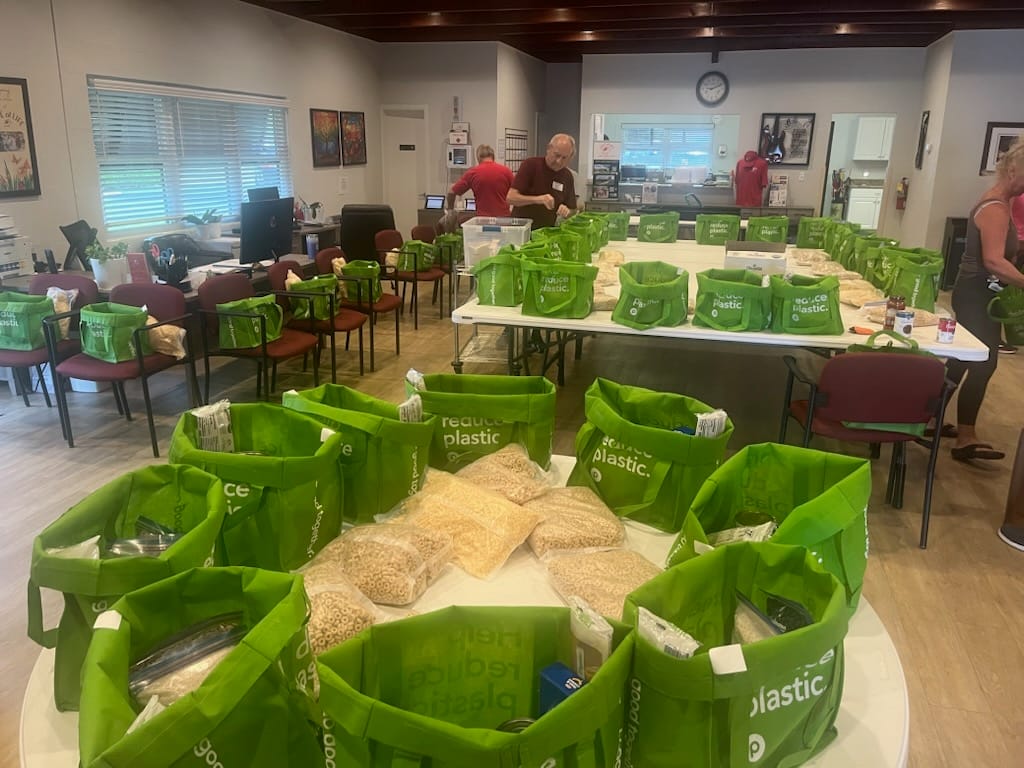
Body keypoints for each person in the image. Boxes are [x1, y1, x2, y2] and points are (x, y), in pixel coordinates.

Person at [944, 137, 1024, 469]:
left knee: (961, 360)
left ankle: (929, 418)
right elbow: (993, 261)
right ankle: (966, 437)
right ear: (1013, 169)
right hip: (978, 294)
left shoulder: (998, 203)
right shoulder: (995, 207)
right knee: (984, 362)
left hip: (974, 291)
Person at [507, 134, 577, 228]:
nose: (559, 161)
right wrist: (538, 199)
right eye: (556, 155)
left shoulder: (567, 176)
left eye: (564, 158)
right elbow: (511, 198)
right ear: (548, 149)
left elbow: (573, 210)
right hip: (522, 229)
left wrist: (567, 211)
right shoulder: (531, 165)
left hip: (546, 231)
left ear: (570, 158)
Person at [445, 144, 514, 219]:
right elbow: (517, 194)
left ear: (478, 158)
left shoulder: (472, 173)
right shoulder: (506, 171)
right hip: (504, 219)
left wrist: (450, 210)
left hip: (482, 219)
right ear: (493, 156)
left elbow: (451, 192)